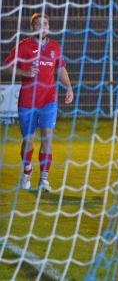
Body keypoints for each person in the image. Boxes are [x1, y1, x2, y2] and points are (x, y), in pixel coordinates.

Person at [4, 12, 74, 192]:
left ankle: (44, 179)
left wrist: (69, 87)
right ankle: (27, 171)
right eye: (38, 24)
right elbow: (7, 66)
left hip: (48, 100)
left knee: (47, 138)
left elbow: (61, 69)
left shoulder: (55, 48)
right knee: (28, 140)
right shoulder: (24, 46)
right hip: (27, 101)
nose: (42, 26)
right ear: (32, 27)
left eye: (45, 22)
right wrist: (24, 73)